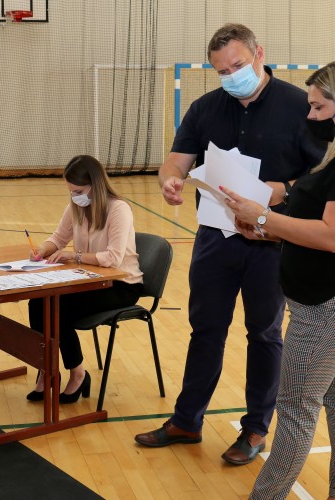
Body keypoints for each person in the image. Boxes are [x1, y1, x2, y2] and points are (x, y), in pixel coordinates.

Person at [134, 23, 326, 465]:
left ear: (260, 54)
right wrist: (170, 180)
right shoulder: (204, 108)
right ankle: (187, 420)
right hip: (215, 238)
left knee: (263, 333)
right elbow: (177, 160)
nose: (230, 75)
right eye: (221, 70)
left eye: (237, 66)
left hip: (273, 241)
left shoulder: (302, 107)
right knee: (205, 330)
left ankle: (256, 427)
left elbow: (321, 177)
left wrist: (282, 191)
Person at [219, 61, 335, 499]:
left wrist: (266, 216)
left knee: (294, 413)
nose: (311, 116)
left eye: (320, 107)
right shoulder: (329, 160)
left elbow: (330, 237)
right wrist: (266, 228)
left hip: (322, 310)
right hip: (318, 303)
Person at [26, 154, 143, 404]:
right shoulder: (75, 206)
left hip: (121, 284)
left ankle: (77, 374)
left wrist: (74, 256)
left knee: (59, 308)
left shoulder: (118, 209)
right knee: (37, 302)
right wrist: (42, 250)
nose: (74, 196)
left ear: (95, 185)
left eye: (78, 190)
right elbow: (58, 238)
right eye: (70, 191)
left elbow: (113, 257)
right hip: (88, 279)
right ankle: (47, 370)